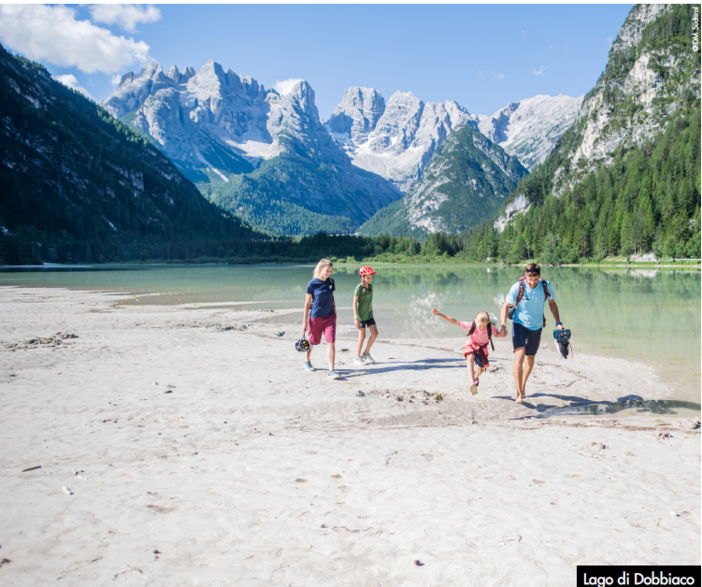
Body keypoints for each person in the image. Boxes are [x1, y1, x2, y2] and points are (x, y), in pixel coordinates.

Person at [500, 262, 564, 404]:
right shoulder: (518, 287)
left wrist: (558, 323)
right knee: (520, 356)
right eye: (530, 280)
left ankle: (523, 386)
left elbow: (552, 304)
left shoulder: (545, 285)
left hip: (537, 327)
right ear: (526, 276)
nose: (533, 283)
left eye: (535, 280)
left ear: (539, 277)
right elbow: (505, 306)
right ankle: (518, 393)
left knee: (530, 358)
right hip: (519, 324)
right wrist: (503, 324)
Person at [431, 308, 507, 394]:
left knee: (480, 370)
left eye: (484, 326)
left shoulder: (489, 327)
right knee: (470, 358)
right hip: (471, 344)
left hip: (481, 349)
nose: (482, 328)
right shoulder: (471, 325)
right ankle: (472, 384)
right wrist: (439, 314)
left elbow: (497, 334)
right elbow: (455, 321)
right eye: (480, 326)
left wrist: (502, 334)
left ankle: (476, 377)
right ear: (475, 321)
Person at [302, 259, 340, 379]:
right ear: (320, 269)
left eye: (330, 271)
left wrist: (335, 313)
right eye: (327, 271)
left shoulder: (331, 282)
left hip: (329, 317)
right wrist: (304, 321)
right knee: (312, 341)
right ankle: (307, 360)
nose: (329, 273)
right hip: (315, 318)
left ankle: (331, 370)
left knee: (331, 342)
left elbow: (332, 298)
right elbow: (307, 303)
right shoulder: (312, 284)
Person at [353, 266, 378, 365]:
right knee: (362, 336)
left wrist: (371, 312)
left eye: (371, 277)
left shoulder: (370, 287)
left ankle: (366, 353)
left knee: (375, 333)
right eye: (367, 277)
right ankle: (357, 358)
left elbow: (369, 302)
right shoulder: (359, 287)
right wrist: (356, 318)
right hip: (360, 316)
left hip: (369, 315)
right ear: (362, 277)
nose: (370, 279)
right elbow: (354, 303)